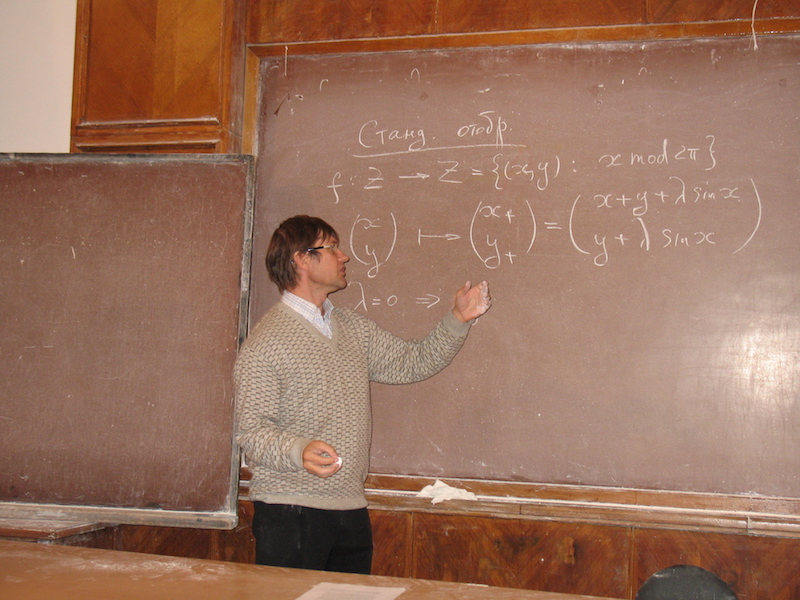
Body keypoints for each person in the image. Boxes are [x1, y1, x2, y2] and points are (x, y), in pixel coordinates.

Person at [234, 215, 491, 574]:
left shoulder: (353, 328)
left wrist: (458, 319)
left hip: (350, 510)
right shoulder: (266, 343)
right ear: (302, 259)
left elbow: (413, 362)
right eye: (332, 248)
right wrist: (297, 450)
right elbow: (252, 433)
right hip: (288, 512)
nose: (344, 256)